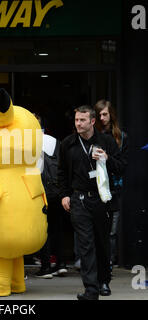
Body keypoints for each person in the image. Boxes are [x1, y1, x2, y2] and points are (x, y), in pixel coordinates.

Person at [58, 105, 125, 300]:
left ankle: (104, 280)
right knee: (86, 244)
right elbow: (61, 172)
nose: (78, 123)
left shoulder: (106, 141)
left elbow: (121, 167)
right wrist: (64, 194)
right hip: (78, 199)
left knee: (102, 243)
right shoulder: (68, 143)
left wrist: (107, 158)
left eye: (82, 120)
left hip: (101, 199)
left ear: (92, 122)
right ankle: (91, 289)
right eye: (76, 120)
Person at [94, 100, 128, 268]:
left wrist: (108, 158)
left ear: (111, 114)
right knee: (94, 228)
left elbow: (123, 164)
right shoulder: (92, 134)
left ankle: (108, 261)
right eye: (99, 114)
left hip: (114, 186)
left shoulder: (120, 136)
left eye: (105, 114)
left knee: (112, 231)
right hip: (94, 185)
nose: (102, 118)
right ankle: (94, 261)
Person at [34, 114, 68, 279]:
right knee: (57, 228)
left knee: (42, 229)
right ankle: (61, 264)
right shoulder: (55, 141)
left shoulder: (28, 142)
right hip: (56, 191)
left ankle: (46, 266)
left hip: (39, 192)